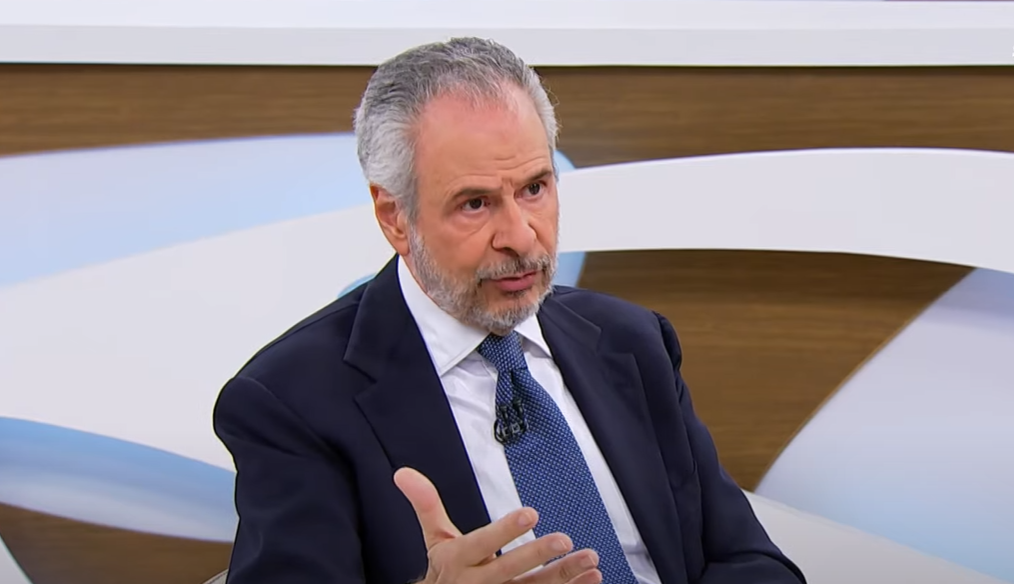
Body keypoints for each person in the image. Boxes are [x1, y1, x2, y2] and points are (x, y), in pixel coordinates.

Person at [212, 37, 806, 584]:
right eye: (475, 203)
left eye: (534, 189)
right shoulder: (291, 401)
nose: (521, 237)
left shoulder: (633, 341)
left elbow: (750, 562)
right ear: (395, 217)